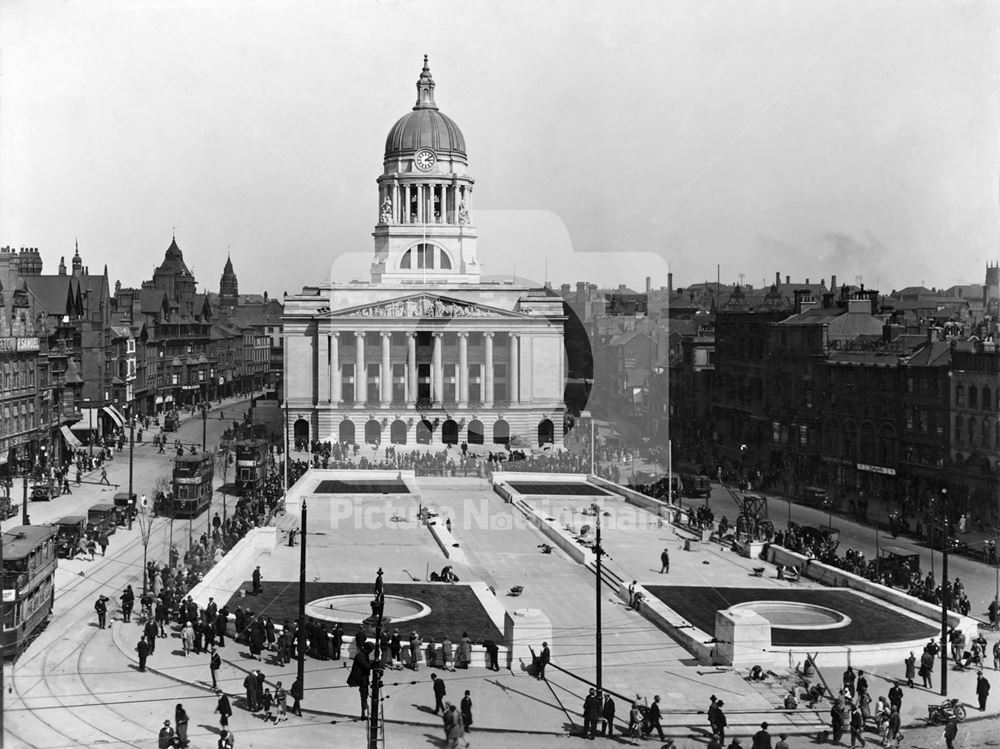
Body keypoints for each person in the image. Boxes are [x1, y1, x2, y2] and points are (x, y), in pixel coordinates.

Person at [347, 642, 373, 718]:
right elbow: (366, 666)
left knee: (365, 694)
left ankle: (364, 707)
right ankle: (363, 713)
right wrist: (373, 665)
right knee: (363, 695)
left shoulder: (363, 654)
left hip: (363, 677)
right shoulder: (360, 655)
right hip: (361, 678)